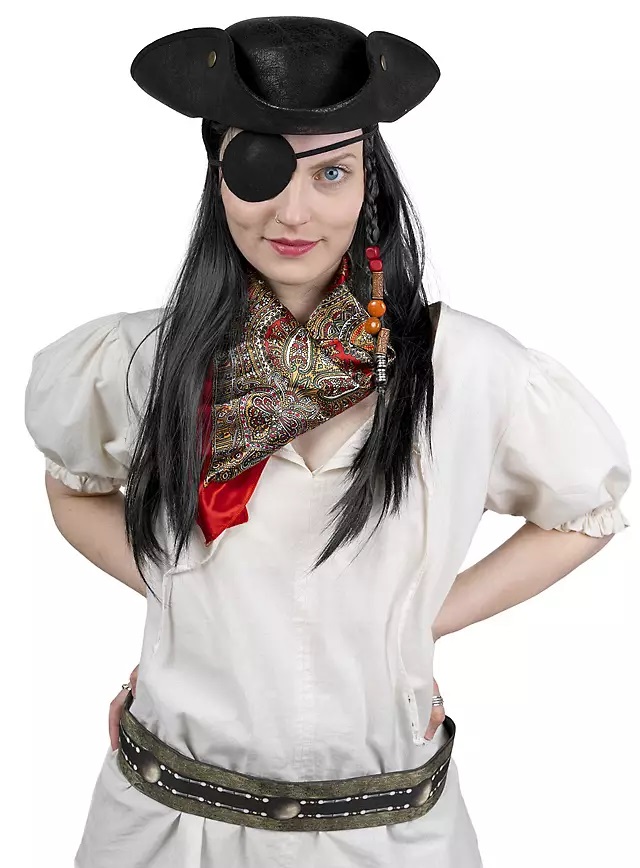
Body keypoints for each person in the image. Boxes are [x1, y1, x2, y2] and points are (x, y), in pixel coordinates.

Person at [23, 17, 631, 868]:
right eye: (259, 169)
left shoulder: (471, 370)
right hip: (167, 824)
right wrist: (184, 596)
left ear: (370, 182)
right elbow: (73, 486)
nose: (293, 211)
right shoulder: (138, 361)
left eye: (331, 172)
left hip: (390, 835)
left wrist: (418, 619)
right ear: (218, 178)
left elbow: (585, 511)